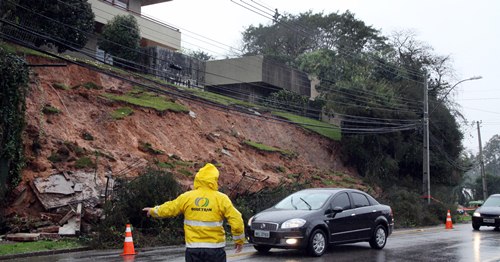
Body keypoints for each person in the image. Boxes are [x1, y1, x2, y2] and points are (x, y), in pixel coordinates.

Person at [142, 163, 245, 262]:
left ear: (198, 179)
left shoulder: (187, 197)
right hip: (215, 249)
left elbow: (170, 208)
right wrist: (238, 240)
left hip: (193, 249)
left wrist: (153, 211)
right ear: (214, 180)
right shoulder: (221, 198)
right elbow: (237, 220)